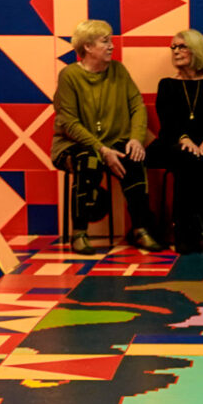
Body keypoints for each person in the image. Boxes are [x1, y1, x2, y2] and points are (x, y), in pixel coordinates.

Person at [50, 19, 162, 254]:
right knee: (88, 159)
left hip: (114, 142)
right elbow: (70, 123)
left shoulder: (119, 71)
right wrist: (102, 150)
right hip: (73, 145)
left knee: (134, 157)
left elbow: (137, 106)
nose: (112, 46)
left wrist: (135, 138)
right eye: (105, 41)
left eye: (110, 40)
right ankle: (79, 232)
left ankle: (140, 229)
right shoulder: (69, 76)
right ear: (88, 47)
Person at [147, 29, 203, 254]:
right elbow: (167, 122)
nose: (176, 51)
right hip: (173, 141)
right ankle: (185, 231)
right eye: (173, 47)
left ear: (196, 50)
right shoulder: (167, 84)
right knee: (184, 156)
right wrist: (185, 139)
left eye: (181, 46)